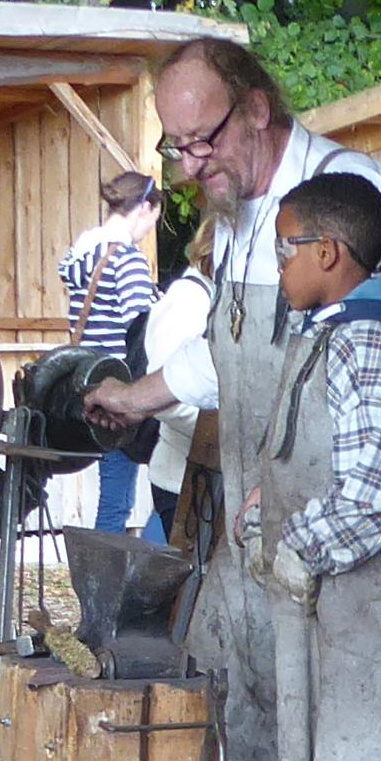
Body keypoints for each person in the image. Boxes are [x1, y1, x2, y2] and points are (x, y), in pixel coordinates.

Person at [83, 37, 381, 761]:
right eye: (177, 146)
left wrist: (318, 528)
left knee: (367, 739)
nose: (191, 163)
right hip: (282, 519)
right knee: (272, 732)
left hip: (366, 531)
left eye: (205, 139)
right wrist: (134, 397)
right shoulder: (238, 216)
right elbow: (227, 351)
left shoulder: (348, 198)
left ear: (256, 108)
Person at [246, 173, 381, 761]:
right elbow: (323, 461)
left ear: (326, 252)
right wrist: (264, 512)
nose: (279, 264)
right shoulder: (331, 336)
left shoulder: (366, 345)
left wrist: (304, 546)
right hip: (337, 626)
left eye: (285, 248)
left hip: (372, 627)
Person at [58, 171, 161, 535]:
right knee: (131, 498)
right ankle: (108, 585)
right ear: (146, 208)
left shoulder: (82, 255)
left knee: (112, 498)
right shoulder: (127, 259)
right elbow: (141, 328)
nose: (150, 230)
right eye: (153, 220)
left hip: (88, 383)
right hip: (121, 388)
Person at [139, 212, 216, 542]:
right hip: (182, 479)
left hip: (208, 476)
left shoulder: (214, 298)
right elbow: (167, 400)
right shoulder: (188, 300)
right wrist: (226, 437)